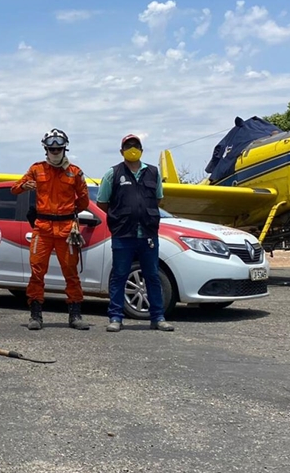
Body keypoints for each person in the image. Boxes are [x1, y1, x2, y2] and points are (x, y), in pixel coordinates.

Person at [11, 129, 91, 331]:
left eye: (58, 148)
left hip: (66, 228)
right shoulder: (37, 169)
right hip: (43, 228)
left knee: (71, 272)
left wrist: (68, 212)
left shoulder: (75, 172)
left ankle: (75, 314)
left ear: (64, 149)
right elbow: (15, 189)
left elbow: (83, 202)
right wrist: (26, 186)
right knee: (37, 271)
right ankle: (35, 314)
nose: (55, 151)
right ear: (46, 149)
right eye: (51, 148)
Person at [97, 135, 174, 332]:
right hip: (123, 234)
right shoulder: (112, 174)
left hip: (147, 234)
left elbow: (157, 199)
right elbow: (102, 203)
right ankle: (115, 317)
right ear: (121, 151)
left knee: (152, 276)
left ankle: (158, 317)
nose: (132, 149)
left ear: (141, 149)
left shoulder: (153, 173)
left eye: (136, 146)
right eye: (128, 146)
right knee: (119, 276)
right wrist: (122, 216)